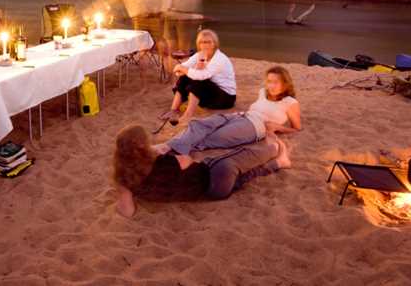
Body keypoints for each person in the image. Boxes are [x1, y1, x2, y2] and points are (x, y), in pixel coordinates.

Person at [112, 124, 289, 218]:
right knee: (241, 155)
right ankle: (275, 148)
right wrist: (156, 152)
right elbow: (187, 160)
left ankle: (279, 163)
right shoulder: (163, 162)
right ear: (144, 146)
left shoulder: (123, 178)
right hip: (215, 174)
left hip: (212, 193)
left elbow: (127, 211)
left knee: (244, 177)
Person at [157, 66, 302, 167]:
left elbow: (297, 128)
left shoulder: (290, 102)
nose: (271, 86)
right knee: (199, 124)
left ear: (285, 83)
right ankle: (167, 146)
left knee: (213, 137)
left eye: (276, 82)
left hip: (255, 127)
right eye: (269, 81)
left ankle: (169, 150)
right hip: (240, 116)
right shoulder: (263, 92)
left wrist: (278, 127)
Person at [164, 29, 236, 122]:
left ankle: (188, 115)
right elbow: (180, 69)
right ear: (198, 44)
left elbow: (201, 76)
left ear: (214, 43)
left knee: (198, 79)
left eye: (208, 42)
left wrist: (184, 69)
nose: (205, 45)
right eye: (202, 42)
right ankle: (173, 110)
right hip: (209, 93)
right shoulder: (199, 55)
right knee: (186, 77)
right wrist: (182, 70)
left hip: (225, 98)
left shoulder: (220, 59)